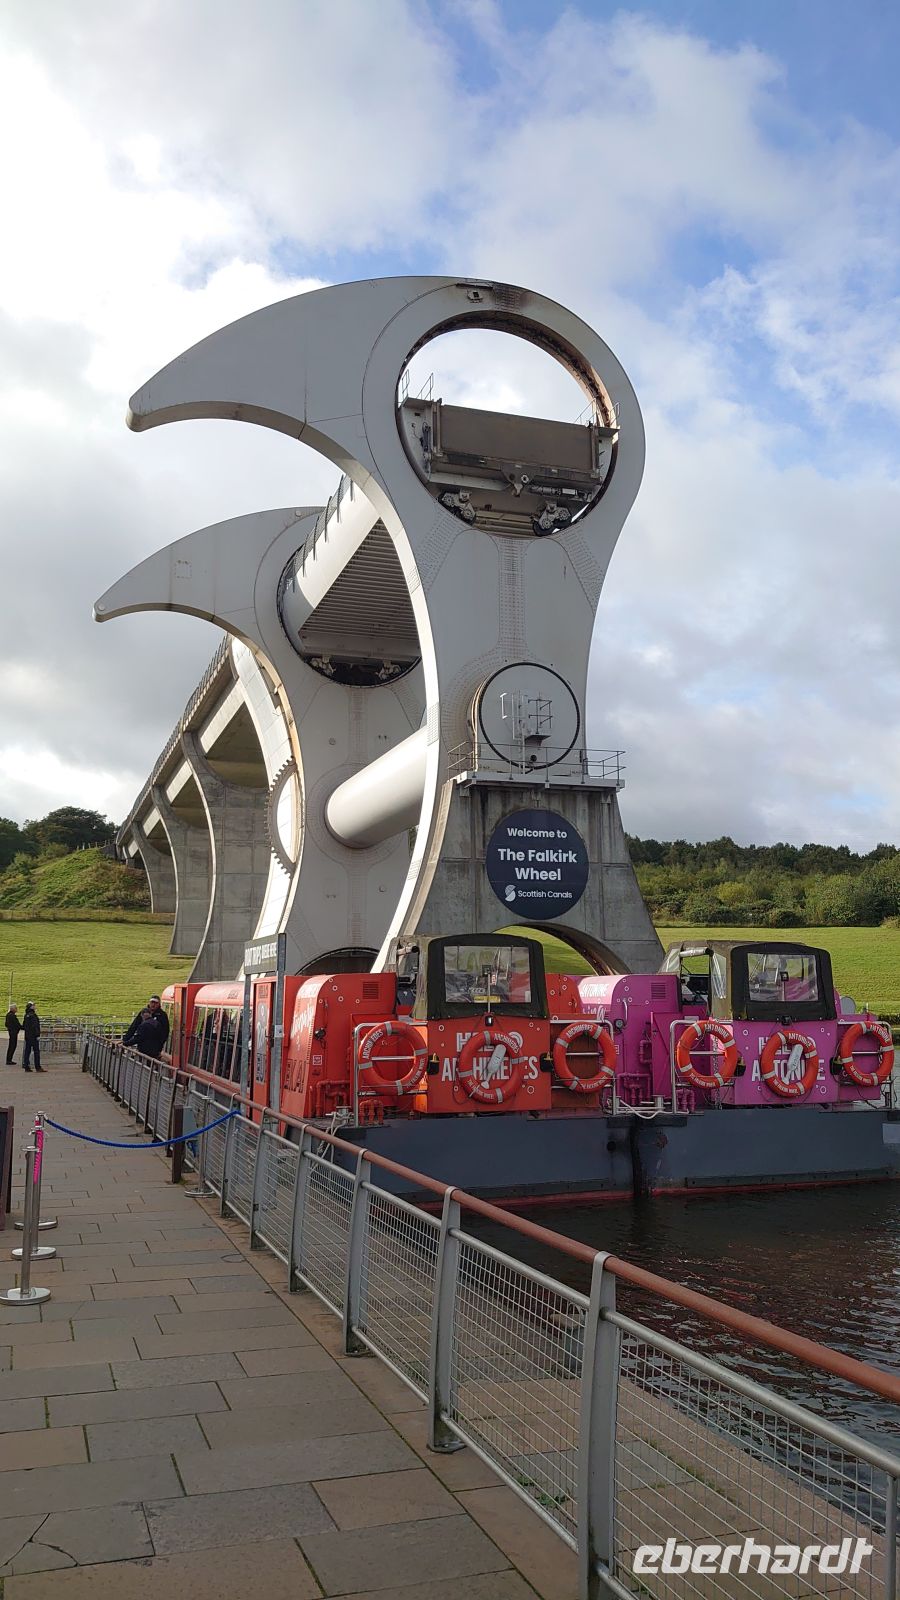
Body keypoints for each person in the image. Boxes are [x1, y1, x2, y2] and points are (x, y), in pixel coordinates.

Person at [22, 1003, 43, 1073]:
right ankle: (38, 1066)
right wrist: (37, 1035)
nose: (35, 1007)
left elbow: (24, 1025)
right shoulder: (33, 1016)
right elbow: (35, 1026)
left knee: (27, 1051)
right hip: (33, 1036)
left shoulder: (26, 1015)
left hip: (27, 1036)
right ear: (31, 1007)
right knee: (36, 1051)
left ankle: (26, 1066)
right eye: (33, 1006)